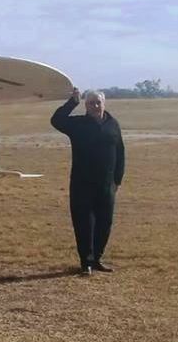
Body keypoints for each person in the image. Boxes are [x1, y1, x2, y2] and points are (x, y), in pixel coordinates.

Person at [50, 88, 125, 276]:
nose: (95, 106)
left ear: (104, 103)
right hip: (82, 184)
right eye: (91, 103)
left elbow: (120, 152)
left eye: (98, 102)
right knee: (84, 224)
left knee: (104, 223)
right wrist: (72, 102)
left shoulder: (112, 124)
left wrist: (117, 180)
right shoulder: (78, 124)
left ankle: (97, 258)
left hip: (106, 184)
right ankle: (86, 262)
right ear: (86, 105)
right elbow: (56, 120)